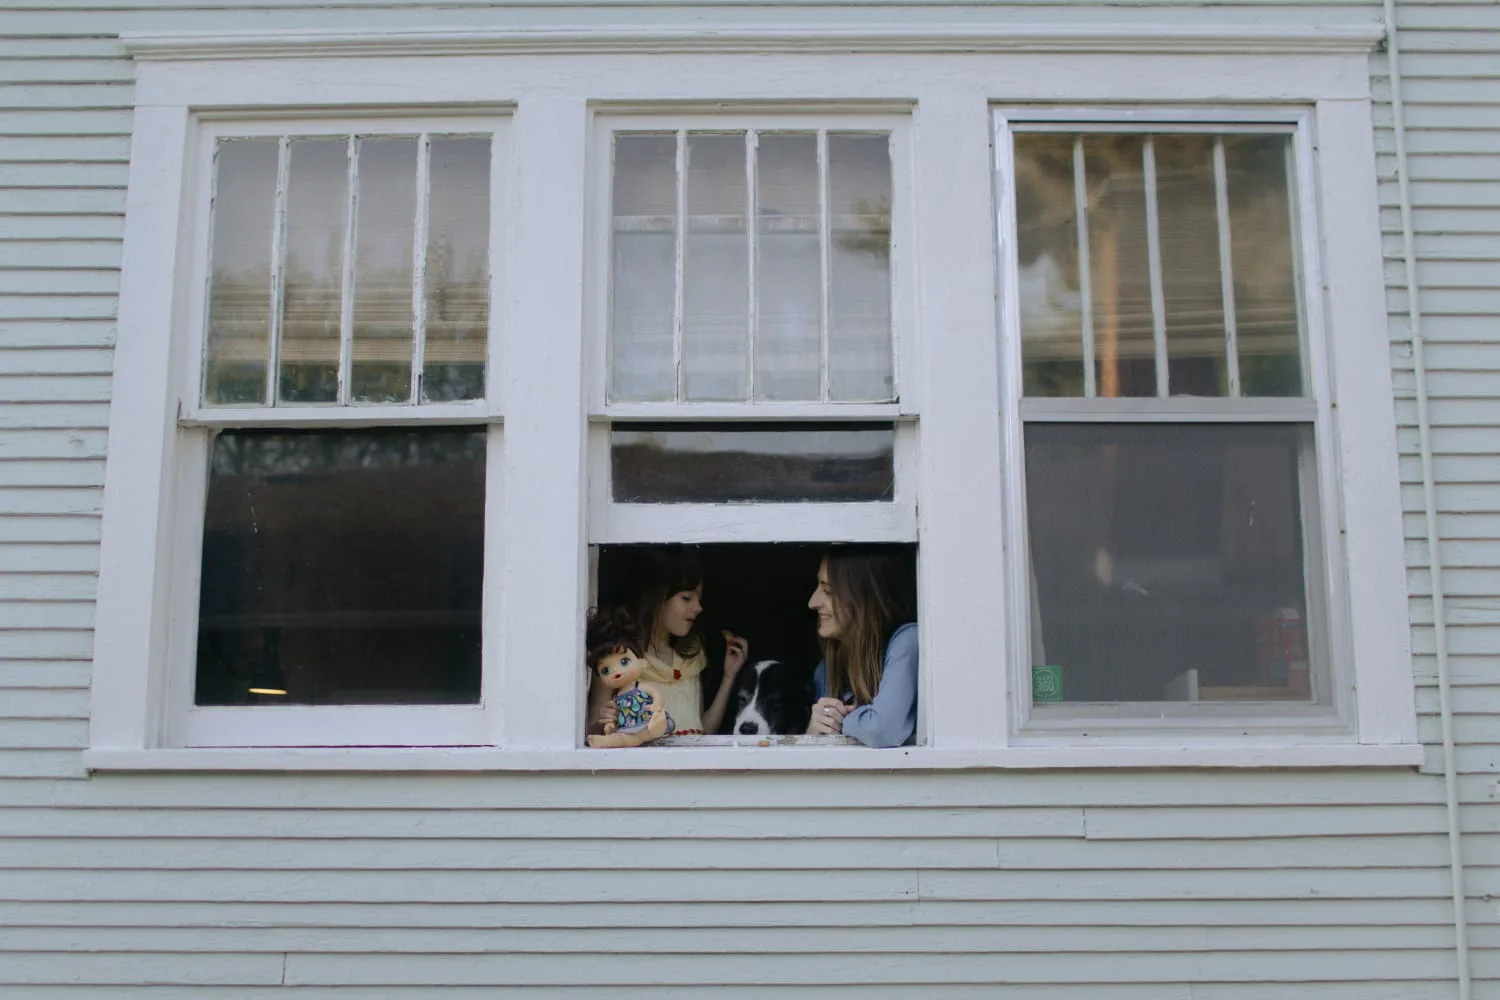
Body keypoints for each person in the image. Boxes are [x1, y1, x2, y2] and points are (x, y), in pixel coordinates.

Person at [587, 548, 749, 737]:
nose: (698, 607)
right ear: (656, 597)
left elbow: (701, 732)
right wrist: (606, 721)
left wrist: (728, 678)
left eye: (699, 599)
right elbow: (593, 732)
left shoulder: (690, 658)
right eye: (686, 598)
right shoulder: (617, 658)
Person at [804, 546, 918, 747]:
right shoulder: (826, 669)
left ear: (862, 597)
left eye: (828, 591)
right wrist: (813, 732)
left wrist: (842, 721)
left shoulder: (907, 641)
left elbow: (880, 731)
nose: (813, 602)